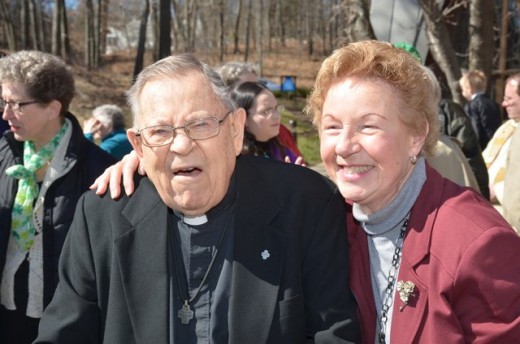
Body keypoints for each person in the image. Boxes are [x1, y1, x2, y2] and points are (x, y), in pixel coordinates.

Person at [35, 54, 360, 343]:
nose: (180, 145)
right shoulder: (100, 216)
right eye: (160, 131)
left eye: (201, 124)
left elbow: (332, 334)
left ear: (235, 131)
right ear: (138, 146)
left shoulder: (306, 204)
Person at [305, 40, 520, 343]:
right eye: (332, 127)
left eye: (368, 126)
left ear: (417, 136)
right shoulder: (330, 227)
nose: (343, 146)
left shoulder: (477, 243)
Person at [0, 50, 117, 344]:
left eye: (17, 104)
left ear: (52, 108)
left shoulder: (98, 170)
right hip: (7, 310)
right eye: (4, 102)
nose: (5, 114)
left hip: (63, 322)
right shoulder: (4, 153)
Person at [217, 60, 303, 158]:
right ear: (227, 94)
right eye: (247, 87)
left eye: (258, 85)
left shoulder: (280, 133)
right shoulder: (220, 141)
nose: (257, 91)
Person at [230, 81, 303, 164]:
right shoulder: (236, 160)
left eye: (276, 108)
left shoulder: (281, 150)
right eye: (266, 112)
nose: (277, 116)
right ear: (243, 118)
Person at [483, 73, 520, 213]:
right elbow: (485, 158)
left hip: (504, 211)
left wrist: (497, 191)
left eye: (509, 99)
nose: (504, 104)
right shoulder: (507, 126)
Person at [459, 70, 502, 150]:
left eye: (463, 88)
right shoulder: (493, 103)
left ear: (469, 88)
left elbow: (475, 130)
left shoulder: (472, 106)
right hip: (495, 143)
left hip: (482, 147)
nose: (462, 92)